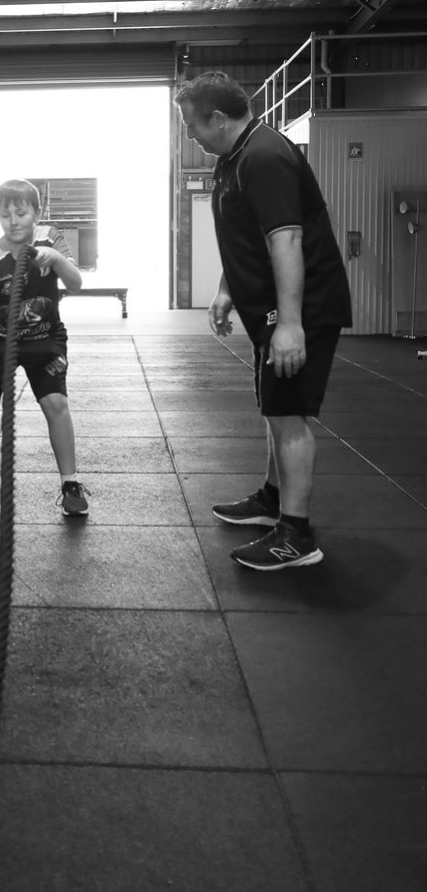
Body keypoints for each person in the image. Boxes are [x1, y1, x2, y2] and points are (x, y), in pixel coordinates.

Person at [175, 72, 352, 571]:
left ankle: (296, 535)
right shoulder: (234, 158)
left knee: (287, 412)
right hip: (269, 311)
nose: (189, 135)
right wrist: (227, 290)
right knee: (273, 407)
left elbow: (286, 240)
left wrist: (290, 324)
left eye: (191, 125)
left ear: (217, 118)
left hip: (301, 309)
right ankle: (274, 500)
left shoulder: (264, 156)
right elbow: (246, 235)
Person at [0, 178, 90, 518]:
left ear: (36, 213)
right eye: (5, 214)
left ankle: (70, 483)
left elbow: (76, 284)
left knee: (56, 402)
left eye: (21, 213)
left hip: (45, 340)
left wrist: (55, 258)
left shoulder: (50, 238)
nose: (13, 221)